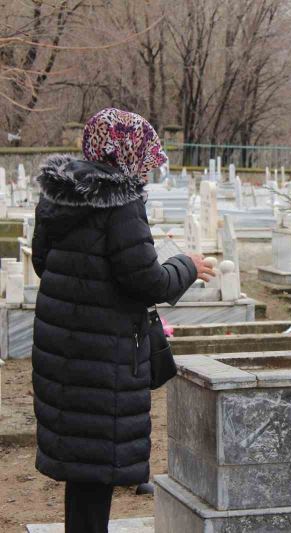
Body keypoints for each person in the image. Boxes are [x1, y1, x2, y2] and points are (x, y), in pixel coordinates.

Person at [31, 108, 215, 533]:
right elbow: (147, 281)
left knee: (83, 464)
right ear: (126, 152)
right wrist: (186, 265)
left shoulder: (59, 195)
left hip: (63, 346)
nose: (147, 167)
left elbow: (45, 263)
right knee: (96, 462)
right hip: (103, 352)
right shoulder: (122, 203)